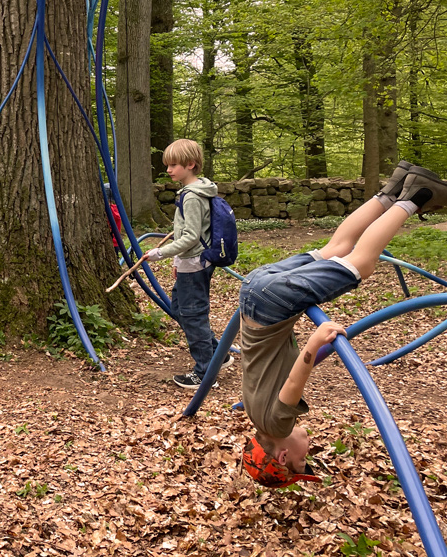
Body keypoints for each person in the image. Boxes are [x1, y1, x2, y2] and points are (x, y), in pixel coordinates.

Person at [240, 161, 447, 488]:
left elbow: (294, 382)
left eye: (301, 460)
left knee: (362, 262)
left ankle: (419, 195)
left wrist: (316, 342)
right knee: (336, 248)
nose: (307, 451)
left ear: (282, 457)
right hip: (254, 290)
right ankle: (393, 188)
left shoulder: (279, 427)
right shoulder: (255, 415)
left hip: (273, 305)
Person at [143, 139, 231, 391]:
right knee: (179, 308)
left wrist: (160, 253)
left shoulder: (192, 196)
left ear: (190, 164)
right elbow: (188, 233)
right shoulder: (192, 191)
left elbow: (191, 237)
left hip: (196, 264)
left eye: (174, 165)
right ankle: (218, 354)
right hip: (188, 262)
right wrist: (177, 260)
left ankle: (205, 373)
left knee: (193, 316)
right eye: (167, 165)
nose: (169, 170)